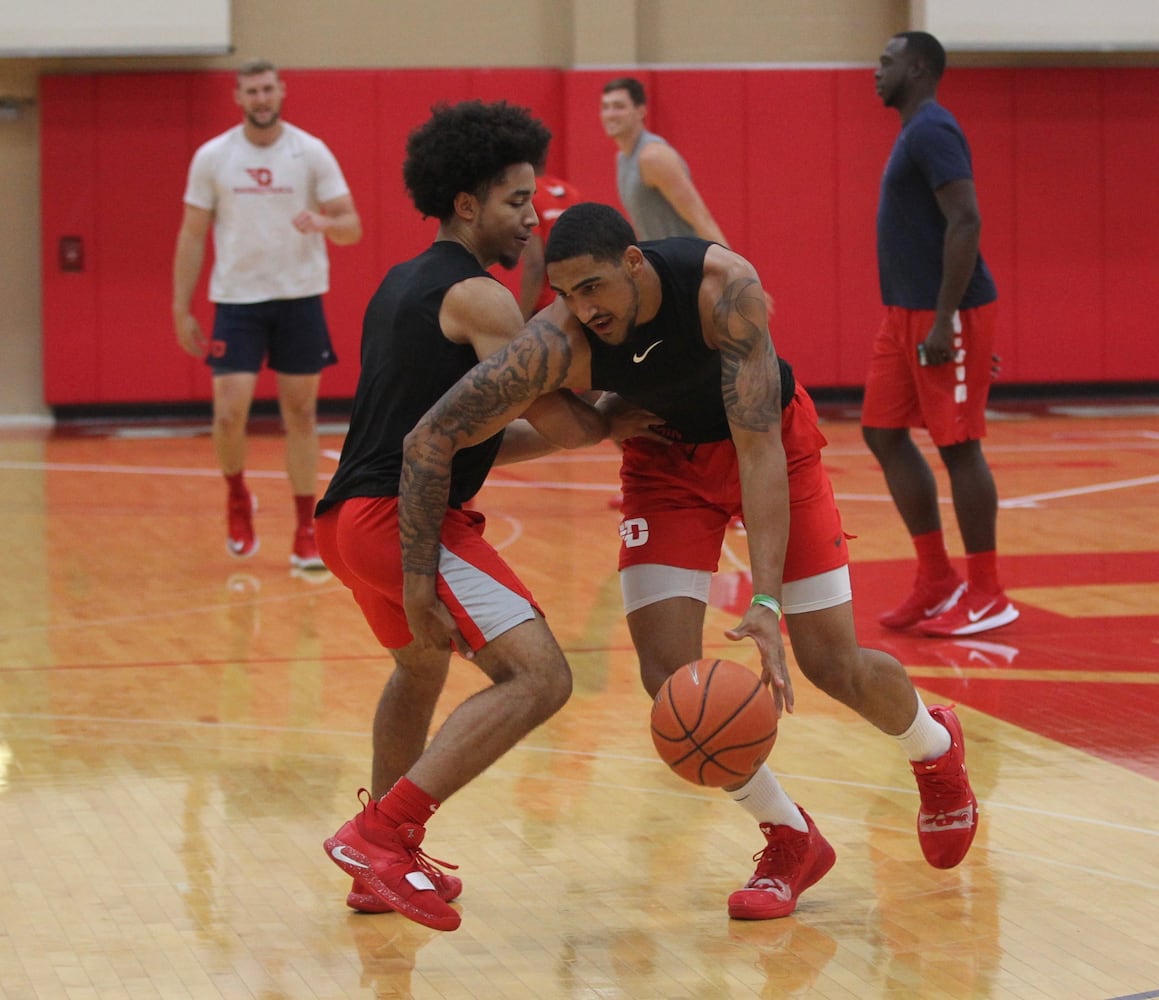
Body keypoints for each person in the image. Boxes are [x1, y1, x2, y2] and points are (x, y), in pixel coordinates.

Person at [400, 201, 981, 922]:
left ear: (634, 263)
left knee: (830, 662)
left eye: (593, 288)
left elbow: (759, 449)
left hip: (771, 447)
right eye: (565, 294)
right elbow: (444, 428)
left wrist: (764, 603)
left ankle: (933, 747)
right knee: (670, 678)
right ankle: (788, 837)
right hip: (664, 461)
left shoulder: (722, 290)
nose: (582, 309)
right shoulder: (556, 338)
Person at [315, 102, 625, 933]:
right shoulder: (482, 300)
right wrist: (625, 402)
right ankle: (382, 835)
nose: (532, 218)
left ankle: (378, 868)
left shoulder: (400, 281)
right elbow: (564, 420)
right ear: (466, 205)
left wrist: (580, 426)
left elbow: (478, 433)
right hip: (400, 520)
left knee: (418, 670)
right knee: (541, 677)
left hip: (344, 520)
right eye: (516, 201)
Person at [172, 59, 362, 570]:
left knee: (299, 415)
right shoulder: (213, 157)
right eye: (251, 91)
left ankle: (305, 526)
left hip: (299, 297)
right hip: (235, 301)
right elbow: (192, 234)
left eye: (267, 89)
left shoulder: (309, 151)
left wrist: (323, 220)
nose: (260, 98)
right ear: (238, 97)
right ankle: (237, 495)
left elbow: (351, 226)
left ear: (281, 92)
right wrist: (180, 306)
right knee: (228, 412)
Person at [861, 31, 1018, 637]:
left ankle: (987, 592)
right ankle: (936, 579)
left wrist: (949, 320)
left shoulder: (932, 129)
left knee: (959, 446)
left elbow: (967, 218)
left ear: (919, 67)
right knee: (880, 431)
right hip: (903, 313)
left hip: (937, 313)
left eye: (886, 60)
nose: (876, 72)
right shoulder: (914, 131)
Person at [600, 76, 729, 244]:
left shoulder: (653, 157)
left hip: (686, 262)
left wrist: (733, 267)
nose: (610, 114)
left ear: (640, 111)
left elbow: (701, 218)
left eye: (618, 107)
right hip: (660, 262)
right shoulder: (623, 158)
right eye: (605, 107)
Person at [518, 162, 582, 319]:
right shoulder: (569, 192)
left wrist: (522, 321)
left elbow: (535, 265)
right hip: (575, 306)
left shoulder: (524, 197)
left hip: (545, 312)